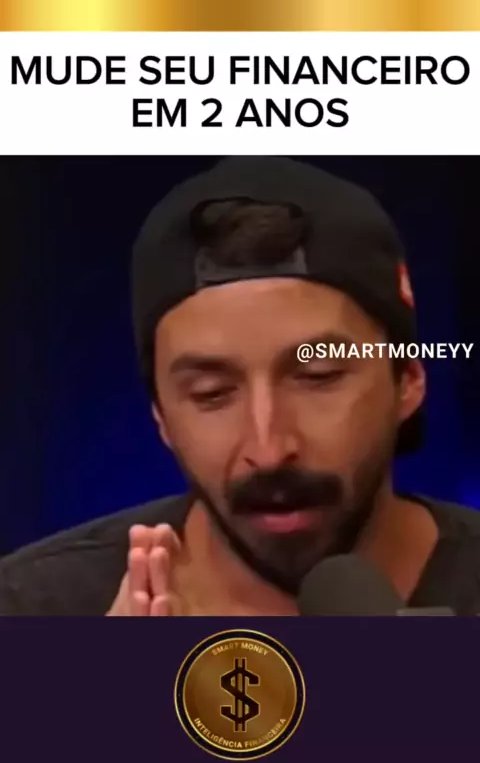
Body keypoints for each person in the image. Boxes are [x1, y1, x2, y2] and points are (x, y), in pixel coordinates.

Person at [0, 156, 479, 617]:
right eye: (211, 393)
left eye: (318, 376)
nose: (268, 451)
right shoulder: (30, 613)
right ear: (160, 415)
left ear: (408, 379)